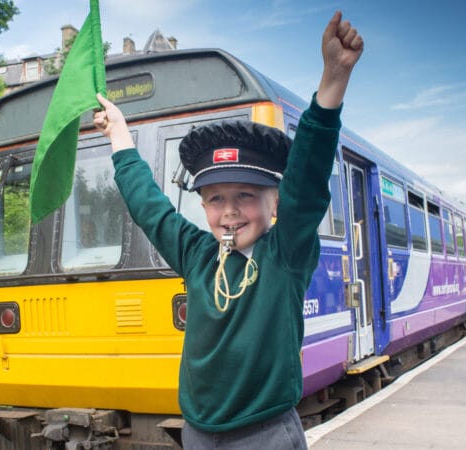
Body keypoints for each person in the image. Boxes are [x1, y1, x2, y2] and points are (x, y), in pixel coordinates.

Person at [93, 10, 363, 449]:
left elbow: (307, 180)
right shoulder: (197, 255)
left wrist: (333, 79)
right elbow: (149, 207)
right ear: (203, 206)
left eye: (246, 196)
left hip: (266, 435)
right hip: (199, 433)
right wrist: (119, 134)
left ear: (274, 203)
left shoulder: (285, 255)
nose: (231, 212)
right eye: (217, 199)